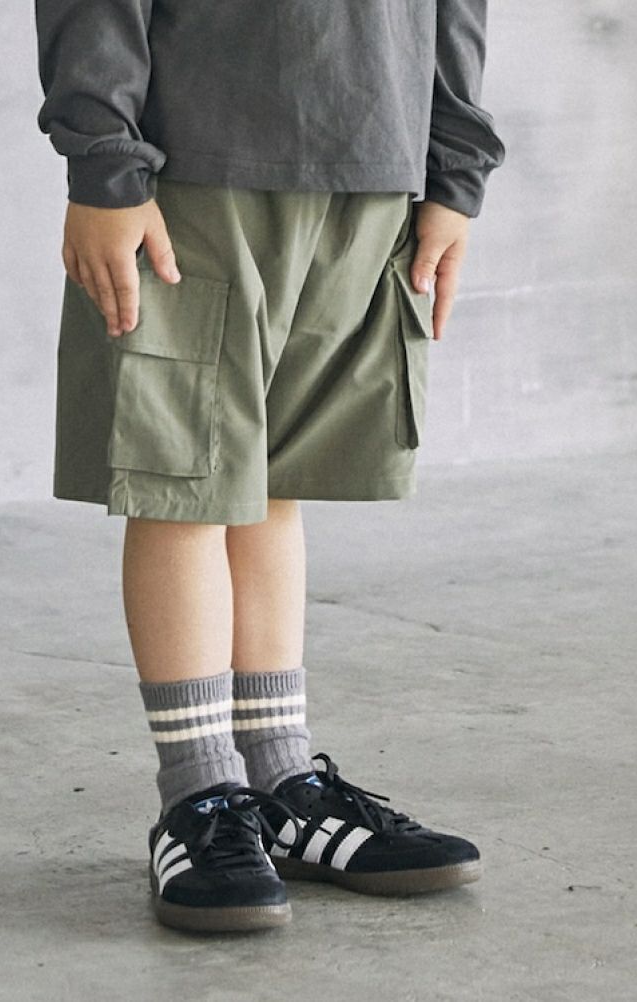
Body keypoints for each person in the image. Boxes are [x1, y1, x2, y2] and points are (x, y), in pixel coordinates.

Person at [35, 0, 505, 933]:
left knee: (273, 481)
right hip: (198, 154)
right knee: (185, 483)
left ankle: (281, 781)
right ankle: (199, 793)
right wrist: (105, 161)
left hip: (373, 157)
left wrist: (454, 168)